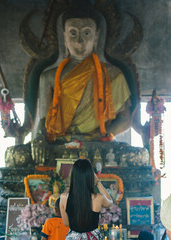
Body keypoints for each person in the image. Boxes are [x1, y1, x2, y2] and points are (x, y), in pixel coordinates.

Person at [31, 4, 132, 164]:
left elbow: (125, 120)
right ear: (64, 37)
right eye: (73, 33)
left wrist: (100, 138)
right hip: (60, 145)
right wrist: (39, 139)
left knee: (135, 155)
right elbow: (44, 122)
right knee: (18, 155)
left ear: (96, 36)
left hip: (97, 145)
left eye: (86, 33)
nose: (79, 41)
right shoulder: (48, 77)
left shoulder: (113, 74)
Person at [60, 158, 113, 239]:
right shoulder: (98, 198)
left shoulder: (64, 197)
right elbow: (110, 202)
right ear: (90, 176)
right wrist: (98, 182)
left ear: (73, 176)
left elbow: (66, 223)